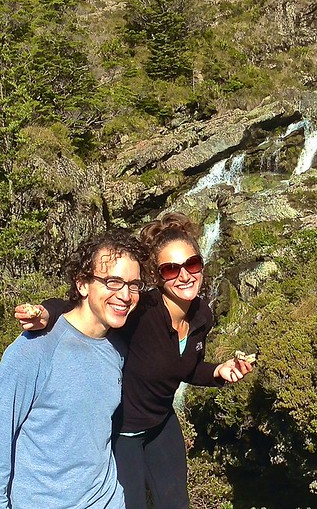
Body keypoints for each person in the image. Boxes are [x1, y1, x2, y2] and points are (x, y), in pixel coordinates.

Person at [15, 212, 253, 508]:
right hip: (123, 432)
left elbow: (185, 367)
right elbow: (86, 306)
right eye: (171, 269)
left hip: (162, 423)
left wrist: (218, 371)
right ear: (157, 276)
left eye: (192, 264)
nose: (184, 275)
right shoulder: (141, 311)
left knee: (176, 503)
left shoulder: (202, 316)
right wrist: (47, 313)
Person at [0, 229, 149, 508]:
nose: (125, 295)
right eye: (113, 282)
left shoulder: (118, 349)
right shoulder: (35, 349)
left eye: (133, 285)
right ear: (82, 285)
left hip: (106, 500)